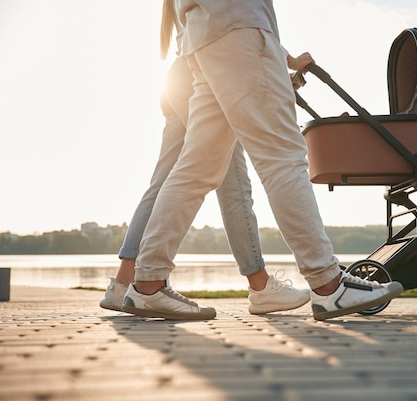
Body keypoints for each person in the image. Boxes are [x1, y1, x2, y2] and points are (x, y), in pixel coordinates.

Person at [122, 0, 404, 321]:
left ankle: (148, 282)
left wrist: (281, 57)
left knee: (196, 169)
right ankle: (328, 284)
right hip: (239, 27)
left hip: (202, 38)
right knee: (282, 158)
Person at [99, 5, 312, 317]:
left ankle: (123, 283)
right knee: (232, 182)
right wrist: (290, 61)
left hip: (177, 77)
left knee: (167, 181)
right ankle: (260, 284)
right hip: (205, 69)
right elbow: (236, 19)